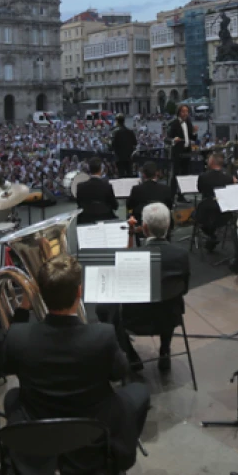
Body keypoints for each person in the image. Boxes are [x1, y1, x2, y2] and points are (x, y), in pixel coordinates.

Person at [0, 255, 150, 475]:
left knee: (12, 398)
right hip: (90, 425)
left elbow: (5, 364)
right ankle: (114, 463)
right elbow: (119, 373)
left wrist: (23, 309)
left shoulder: (18, 336)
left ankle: (41, 463)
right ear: (79, 292)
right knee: (139, 392)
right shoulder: (101, 335)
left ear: (39, 295)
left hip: (41, 422)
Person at [99, 203, 191, 372]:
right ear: (169, 225)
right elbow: (184, 289)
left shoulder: (133, 257)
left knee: (104, 310)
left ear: (145, 228)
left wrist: (129, 236)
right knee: (170, 299)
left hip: (135, 322)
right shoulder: (181, 254)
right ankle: (165, 351)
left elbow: (120, 287)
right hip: (170, 317)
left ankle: (132, 356)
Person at [196, 152, 235, 251]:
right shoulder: (229, 178)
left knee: (197, 216)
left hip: (204, 213)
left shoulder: (203, 176)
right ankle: (212, 236)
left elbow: (200, 190)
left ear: (212, 162)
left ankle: (212, 236)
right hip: (224, 213)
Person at [126, 160, 173, 225]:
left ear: (144, 174)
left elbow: (129, 206)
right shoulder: (166, 189)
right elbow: (169, 206)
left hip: (142, 224)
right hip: (161, 224)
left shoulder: (136, 189)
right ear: (157, 173)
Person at [75, 156, 119, 224]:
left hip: (86, 220)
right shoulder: (107, 186)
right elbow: (115, 206)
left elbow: (79, 204)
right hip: (105, 219)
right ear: (101, 169)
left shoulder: (80, 186)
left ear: (89, 169)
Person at [167, 104, 196, 202]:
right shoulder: (173, 123)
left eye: (187, 111)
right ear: (179, 112)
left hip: (187, 152)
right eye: (183, 111)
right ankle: (171, 196)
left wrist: (195, 133)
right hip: (177, 152)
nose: (185, 113)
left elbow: (192, 137)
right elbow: (166, 139)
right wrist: (174, 140)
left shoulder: (188, 122)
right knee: (175, 175)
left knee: (184, 175)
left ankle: (181, 195)